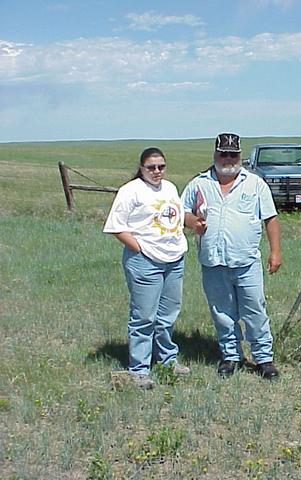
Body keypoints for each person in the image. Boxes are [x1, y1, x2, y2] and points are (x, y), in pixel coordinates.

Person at [182, 133, 281, 379]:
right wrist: (193, 222)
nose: (228, 159)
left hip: (246, 260)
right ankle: (230, 356)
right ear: (215, 155)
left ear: (240, 156)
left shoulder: (255, 184)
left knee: (255, 309)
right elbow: (182, 212)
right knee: (222, 312)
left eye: (233, 154)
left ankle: (263, 358)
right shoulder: (199, 184)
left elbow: (270, 217)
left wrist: (275, 251)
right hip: (213, 261)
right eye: (223, 154)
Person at [104, 147, 190, 389]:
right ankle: (139, 369)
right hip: (145, 262)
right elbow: (116, 226)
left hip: (174, 260)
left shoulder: (170, 188)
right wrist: (140, 249)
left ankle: (166, 360)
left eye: (161, 166)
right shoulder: (130, 191)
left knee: (167, 315)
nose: (156, 171)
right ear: (141, 168)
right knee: (144, 317)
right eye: (151, 167)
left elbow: (177, 216)